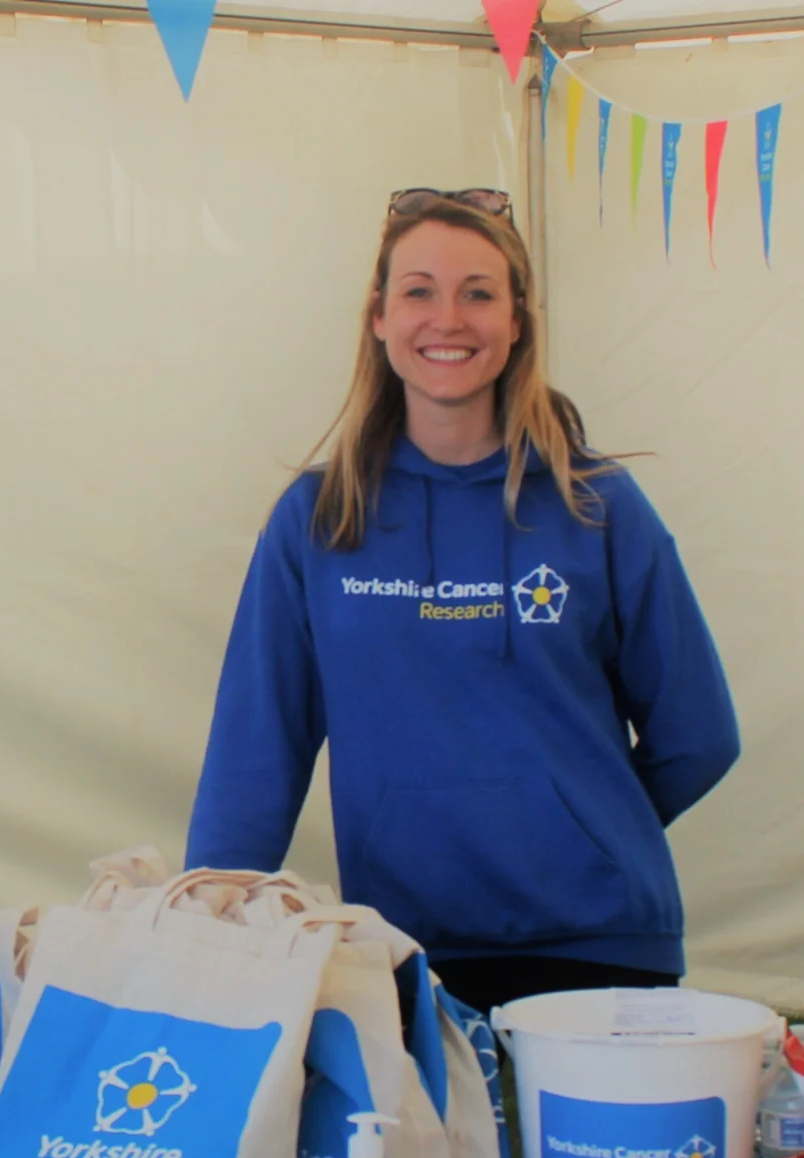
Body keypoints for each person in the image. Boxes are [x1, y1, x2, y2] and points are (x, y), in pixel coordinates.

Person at [186, 189, 739, 1015]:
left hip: (599, 945)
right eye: (419, 290)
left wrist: (581, 831)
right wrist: (205, 923)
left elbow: (699, 734)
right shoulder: (321, 519)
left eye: (479, 292)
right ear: (378, 316)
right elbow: (254, 754)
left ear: (518, 320)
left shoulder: (599, 507)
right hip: (403, 949)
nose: (449, 318)